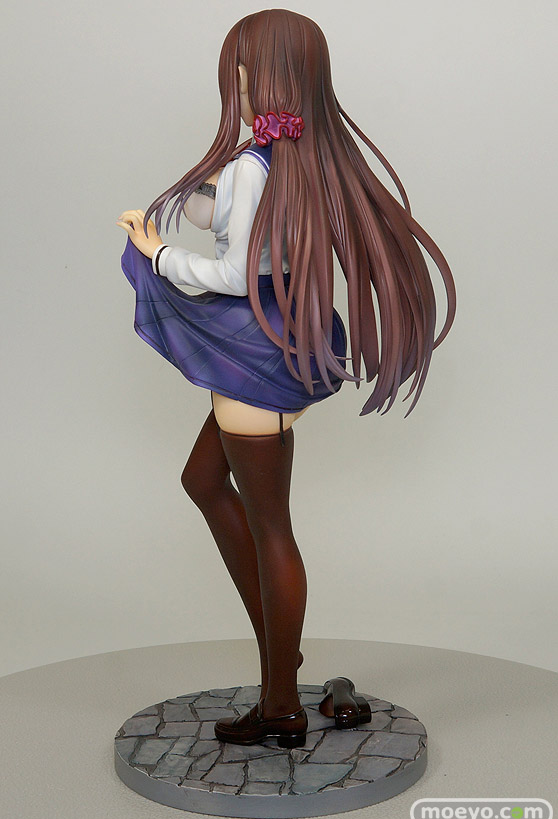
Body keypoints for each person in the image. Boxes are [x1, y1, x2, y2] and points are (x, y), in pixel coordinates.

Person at [116, 9, 456, 748]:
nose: (233, 89)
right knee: (203, 481)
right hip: (286, 342)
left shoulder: (256, 165)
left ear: (259, 78)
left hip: (254, 355)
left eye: (238, 76)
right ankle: (284, 654)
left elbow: (236, 273)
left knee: (272, 525)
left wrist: (157, 254)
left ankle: (279, 702)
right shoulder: (300, 159)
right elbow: (251, 232)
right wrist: (198, 200)